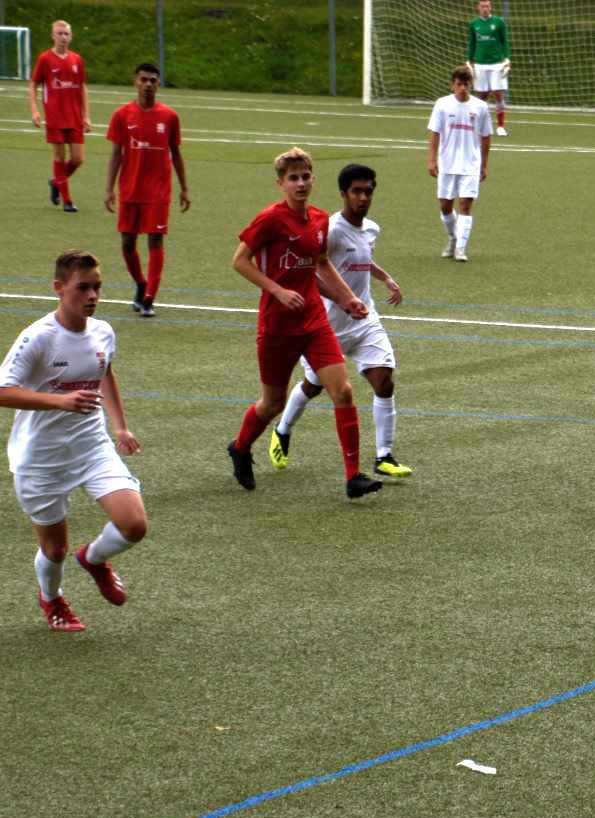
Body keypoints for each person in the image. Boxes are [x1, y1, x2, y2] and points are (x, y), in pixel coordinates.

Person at [0, 250, 148, 632]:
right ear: (58, 288)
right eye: (83, 288)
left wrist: (120, 427)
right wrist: (59, 401)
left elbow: (104, 372)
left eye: (97, 287)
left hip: (90, 446)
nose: (93, 296)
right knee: (54, 549)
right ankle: (52, 599)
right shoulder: (38, 337)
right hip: (41, 459)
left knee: (134, 525)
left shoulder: (103, 331)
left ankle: (95, 559)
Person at [226, 147, 383, 499]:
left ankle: (353, 476)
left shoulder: (319, 218)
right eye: (293, 178)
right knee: (272, 403)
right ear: (281, 183)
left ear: (313, 178)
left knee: (342, 391)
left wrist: (347, 298)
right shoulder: (270, 218)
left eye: (306, 176)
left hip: (314, 320)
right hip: (277, 325)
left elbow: (321, 265)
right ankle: (240, 447)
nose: (300, 183)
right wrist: (277, 290)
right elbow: (240, 261)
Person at [268, 163, 412, 479]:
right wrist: (343, 301)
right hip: (327, 324)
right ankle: (282, 430)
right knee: (313, 386)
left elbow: (360, 256)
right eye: (356, 192)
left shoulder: (371, 228)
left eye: (368, 192)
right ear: (343, 194)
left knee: (384, 381)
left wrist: (385, 277)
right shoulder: (329, 230)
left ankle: (384, 455)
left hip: (364, 320)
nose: (363, 198)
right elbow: (312, 270)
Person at [105, 63, 191, 318]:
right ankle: (141, 284)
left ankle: (149, 298)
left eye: (153, 80)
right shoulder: (122, 115)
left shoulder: (169, 117)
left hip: (158, 191)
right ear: (135, 82)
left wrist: (184, 188)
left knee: (155, 238)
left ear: (158, 84)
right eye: (144, 79)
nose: (148, 84)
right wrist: (109, 188)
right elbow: (116, 155)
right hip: (130, 189)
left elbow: (176, 154)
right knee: (127, 242)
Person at [427, 65, 493, 262]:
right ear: (452, 85)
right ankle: (453, 239)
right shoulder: (442, 104)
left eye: (466, 84)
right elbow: (435, 133)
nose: (462, 88)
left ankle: (461, 249)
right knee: (445, 206)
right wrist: (432, 159)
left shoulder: (480, 107)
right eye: (459, 84)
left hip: (470, 164)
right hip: (447, 163)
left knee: (465, 204)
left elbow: (486, 136)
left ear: (470, 85)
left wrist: (484, 165)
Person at [28, 20, 90, 213]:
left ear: (71, 37)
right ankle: (67, 201)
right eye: (60, 33)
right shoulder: (45, 59)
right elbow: (33, 84)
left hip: (74, 117)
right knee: (58, 156)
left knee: (78, 159)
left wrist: (86, 115)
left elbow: (82, 87)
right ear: (52, 36)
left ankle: (56, 182)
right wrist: (35, 110)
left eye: (66, 34)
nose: (63, 37)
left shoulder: (77, 60)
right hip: (55, 117)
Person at [467, 0, 510, 136]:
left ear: (490, 8)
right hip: (480, 64)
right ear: (478, 8)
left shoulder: (498, 22)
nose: (485, 8)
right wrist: (470, 60)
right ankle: (481, 125)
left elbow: (504, 41)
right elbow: (472, 43)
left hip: (496, 63)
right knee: (482, 97)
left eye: (487, 6)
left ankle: (501, 126)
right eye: (482, 6)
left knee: (498, 94)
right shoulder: (474, 24)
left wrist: (506, 58)